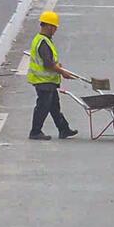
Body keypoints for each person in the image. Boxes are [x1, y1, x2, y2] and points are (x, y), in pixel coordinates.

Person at [28, 10, 78, 141]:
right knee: (43, 107)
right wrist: (62, 72)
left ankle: (64, 129)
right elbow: (47, 64)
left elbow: (50, 61)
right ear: (49, 26)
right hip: (43, 81)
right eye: (55, 27)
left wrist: (58, 66)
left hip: (47, 80)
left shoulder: (43, 40)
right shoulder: (43, 42)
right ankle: (35, 132)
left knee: (54, 106)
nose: (55, 30)